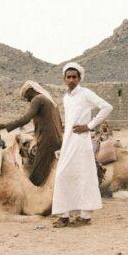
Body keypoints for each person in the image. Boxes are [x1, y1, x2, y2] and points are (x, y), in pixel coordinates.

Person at [51, 62, 113, 228]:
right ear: (64, 79)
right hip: (68, 140)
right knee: (63, 175)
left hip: (81, 140)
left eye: (74, 77)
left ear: (79, 78)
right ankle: (64, 215)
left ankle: (85, 216)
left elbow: (107, 107)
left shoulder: (86, 93)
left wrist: (89, 125)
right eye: (68, 77)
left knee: (84, 175)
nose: (71, 80)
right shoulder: (66, 97)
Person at [0, 81, 63, 186]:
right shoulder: (50, 100)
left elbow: (25, 119)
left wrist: (4, 126)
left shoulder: (37, 99)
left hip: (47, 140)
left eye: (27, 96)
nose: (28, 100)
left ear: (31, 90)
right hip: (57, 139)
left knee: (36, 176)